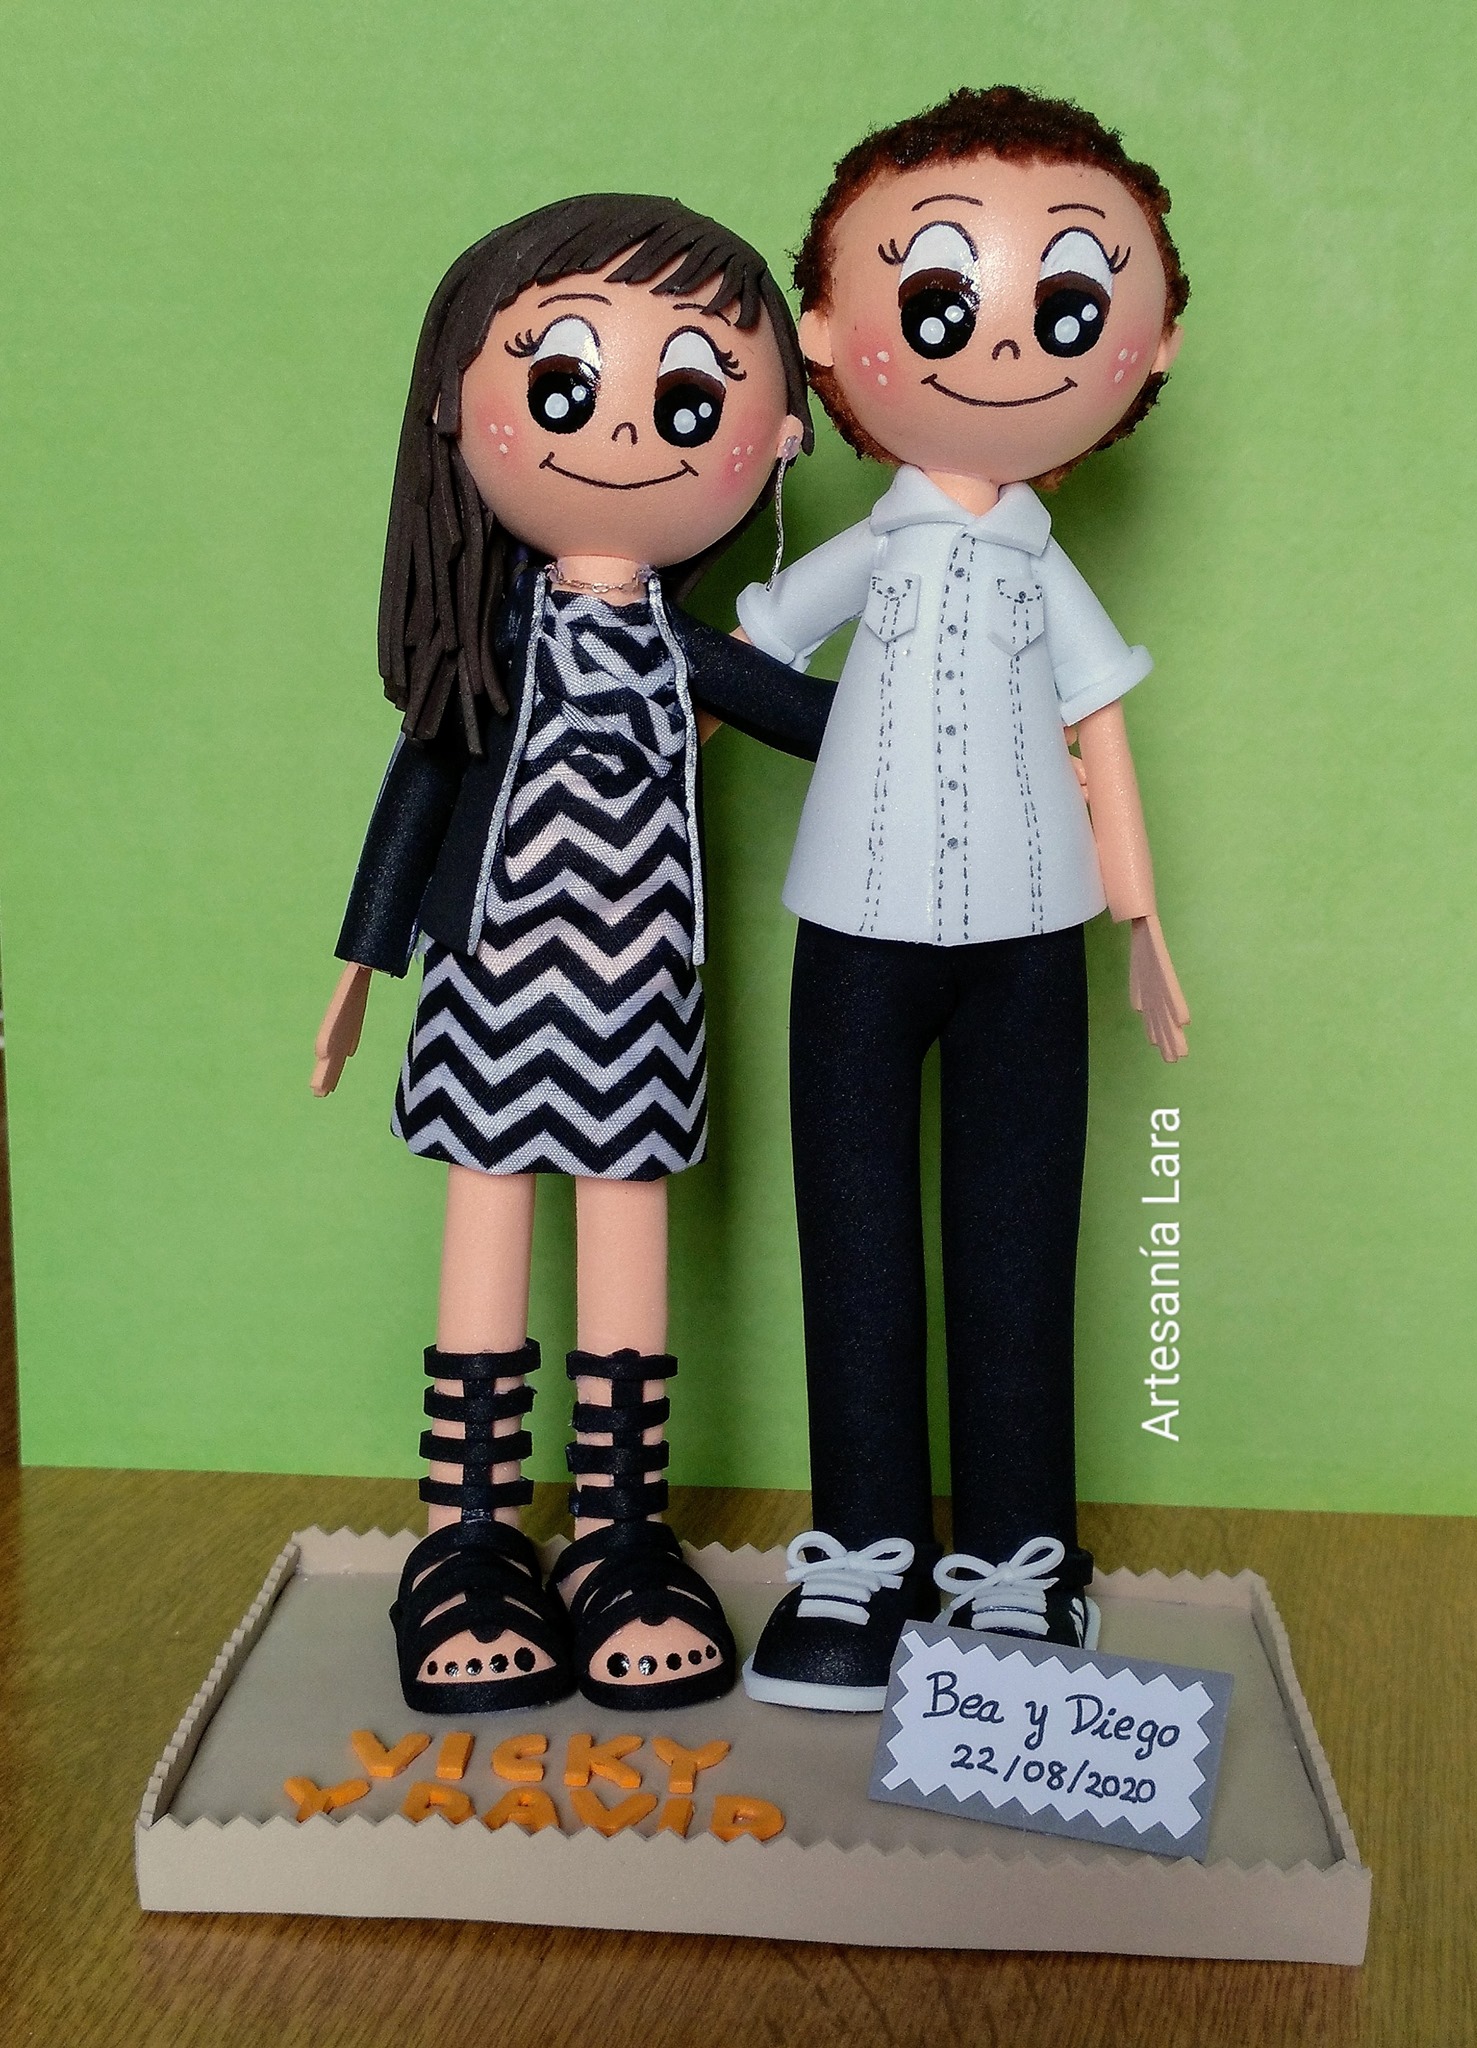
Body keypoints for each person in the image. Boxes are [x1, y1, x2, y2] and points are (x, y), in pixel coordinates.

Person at [313, 193, 830, 1715]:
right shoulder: (489, 648)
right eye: (561, 385)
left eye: (692, 400)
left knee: (624, 1234)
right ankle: (465, 1537)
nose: (623, 431)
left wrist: (986, 742)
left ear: (780, 433)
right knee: (485, 1222)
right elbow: (420, 790)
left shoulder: (684, 652)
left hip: (639, 994)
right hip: (492, 977)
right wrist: (362, 964)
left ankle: (618, 1536)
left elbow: (826, 722)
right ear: (454, 402)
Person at [734, 89, 1192, 1711]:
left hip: (1031, 942)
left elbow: (1099, 730)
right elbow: (750, 657)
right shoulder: (875, 550)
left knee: (1016, 1246)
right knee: (854, 1247)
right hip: (851, 934)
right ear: (825, 331)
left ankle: (1018, 1557)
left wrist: (1139, 922)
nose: (1001, 343)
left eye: (1065, 310)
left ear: (1151, 345)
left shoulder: (1041, 571)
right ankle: (859, 1554)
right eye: (937, 302)